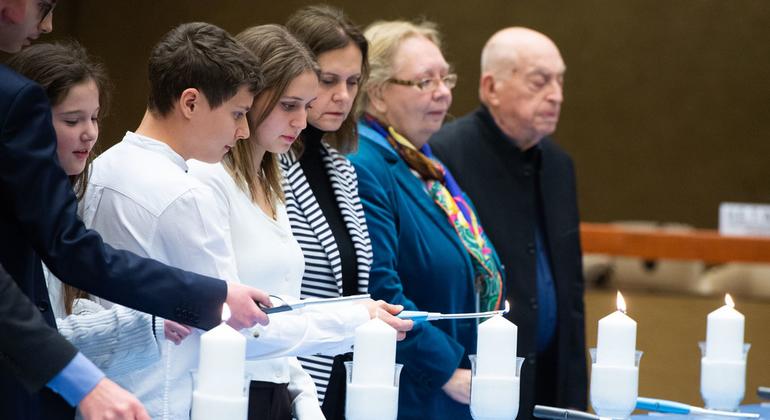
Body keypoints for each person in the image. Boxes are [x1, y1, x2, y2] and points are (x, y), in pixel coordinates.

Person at [0, 1, 269, 419]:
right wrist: (168, 313)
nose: (88, 133)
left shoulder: (99, 171)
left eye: (94, 118)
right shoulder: (183, 191)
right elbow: (68, 261)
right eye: (71, 120)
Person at [189, 24, 411, 420]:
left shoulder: (272, 181)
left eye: (304, 106)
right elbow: (234, 322)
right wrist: (354, 320)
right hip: (223, 391)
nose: (302, 121)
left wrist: (307, 404)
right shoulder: (208, 178)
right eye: (289, 106)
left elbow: (288, 305)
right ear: (252, 97)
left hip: (283, 384)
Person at [348, 20, 505, 420]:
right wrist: (446, 369)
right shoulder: (365, 164)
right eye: (424, 82)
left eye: (445, 77)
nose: (444, 92)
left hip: (451, 387)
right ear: (378, 93)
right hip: (414, 389)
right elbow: (380, 289)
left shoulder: (427, 164)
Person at [429, 27, 588, 416]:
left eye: (560, 81)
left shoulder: (559, 165)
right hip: (477, 381)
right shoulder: (444, 158)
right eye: (540, 81)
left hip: (552, 378)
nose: (556, 95)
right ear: (491, 87)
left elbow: (571, 293)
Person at [283, 5, 373, 417]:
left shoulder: (343, 169)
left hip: (347, 380)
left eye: (353, 81)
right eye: (328, 80)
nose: (343, 95)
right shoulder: (268, 167)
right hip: (288, 381)